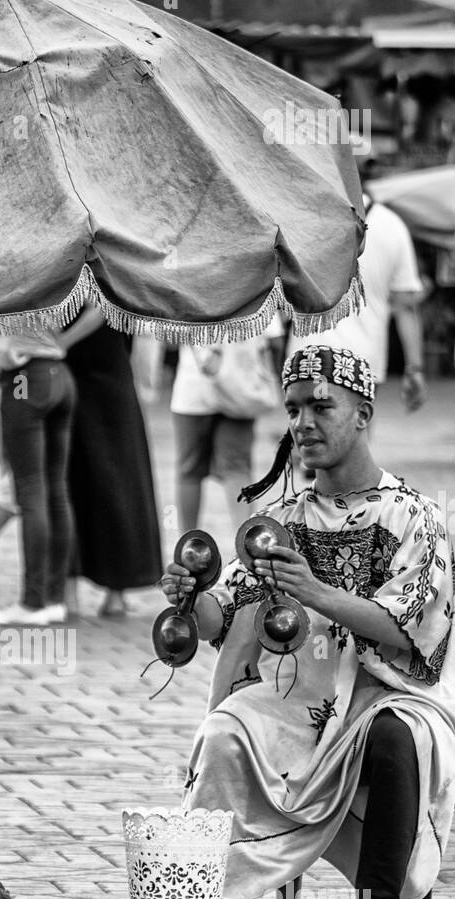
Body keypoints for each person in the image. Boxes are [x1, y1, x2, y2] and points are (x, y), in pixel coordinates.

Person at [161, 344, 455, 899]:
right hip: (302, 702)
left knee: (398, 737)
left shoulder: (415, 516)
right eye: (294, 409)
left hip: (387, 694)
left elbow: (408, 630)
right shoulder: (281, 522)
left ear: (363, 413)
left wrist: (315, 590)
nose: (303, 423)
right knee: (227, 728)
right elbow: (230, 609)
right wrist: (192, 598)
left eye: (322, 406)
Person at [290, 165, 427, 412]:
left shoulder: (305, 217)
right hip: (363, 365)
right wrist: (414, 369)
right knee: (355, 439)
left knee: (310, 438)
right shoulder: (392, 225)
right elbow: (405, 306)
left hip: (310, 362)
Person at [64, 307, 163, 617]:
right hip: (87, 371)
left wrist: (62, 342)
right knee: (73, 479)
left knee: (111, 481)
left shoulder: (97, 261)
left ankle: (106, 590)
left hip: (101, 372)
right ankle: (79, 590)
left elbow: (103, 304)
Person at [0, 323, 78, 626]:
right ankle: (54, 599)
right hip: (58, 373)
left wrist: (5, 350)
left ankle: (33, 602)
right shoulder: (57, 271)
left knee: (31, 490)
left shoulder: (7, 272)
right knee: (55, 491)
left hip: (26, 376)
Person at [170, 325, 283, 537]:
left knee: (189, 471)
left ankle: (187, 544)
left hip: (192, 388)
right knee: (237, 468)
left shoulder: (188, 289)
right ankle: (246, 544)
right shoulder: (253, 289)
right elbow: (274, 338)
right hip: (241, 389)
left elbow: (169, 330)